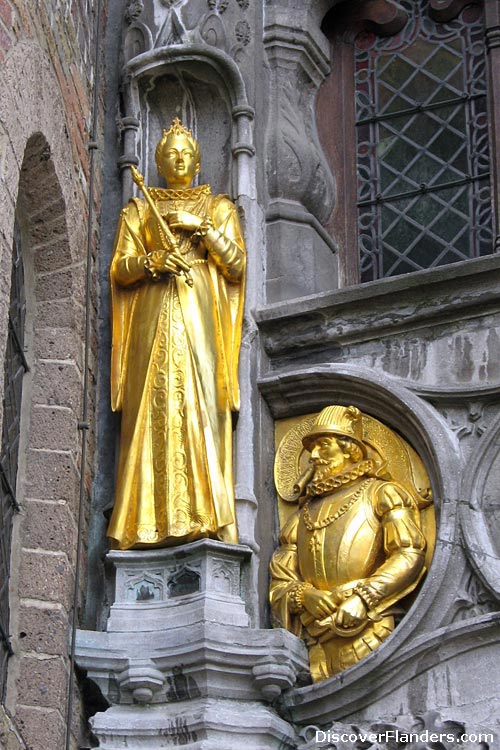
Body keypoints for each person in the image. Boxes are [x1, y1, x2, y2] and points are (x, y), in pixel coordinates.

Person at [107, 118, 245, 549]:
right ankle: (140, 523)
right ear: (158, 161)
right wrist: (151, 263)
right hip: (152, 313)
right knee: (150, 406)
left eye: (186, 153)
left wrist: (200, 227)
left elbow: (237, 266)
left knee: (201, 404)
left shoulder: (219, 206)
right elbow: (119, 268)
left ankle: (207, 517)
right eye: (170, 154)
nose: (179, 159)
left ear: (199, 160)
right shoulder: (138, 209)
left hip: (201, 314)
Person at [269, 405, 428, 681]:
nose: (314, 456)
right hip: (313, 647)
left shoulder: (382, 494)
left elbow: (408, 553)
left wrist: (363, 598)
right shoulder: (299, 517)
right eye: (311, 449)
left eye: (323, 445)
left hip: (369, 633)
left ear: (350, 449)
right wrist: (303, 596)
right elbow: (280, 581)